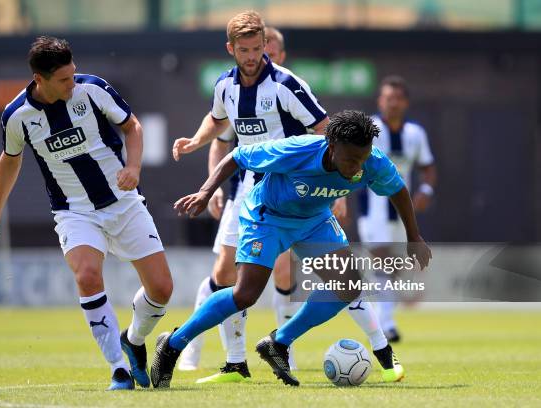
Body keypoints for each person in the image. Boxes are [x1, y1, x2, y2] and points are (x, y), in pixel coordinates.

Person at [173, 13, 389, 384]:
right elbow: (217, 119)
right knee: (227, 273)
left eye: (258, 49)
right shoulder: (225, 85)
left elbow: (326, 130)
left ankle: (300, 346)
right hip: (248, 190)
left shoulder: (286, 85)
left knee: (329, 276)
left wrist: (334, 186)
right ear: (231, 50)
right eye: (245, 50)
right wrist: (196, 141)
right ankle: (232, 361)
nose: (253, 56)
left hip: (293, 190)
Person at [153, 110, 431, 388]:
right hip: (267, 217)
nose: (358, 168)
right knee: (246, 294)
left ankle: (278, 342)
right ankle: (172, 345)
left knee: (348, 285)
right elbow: (237, 157)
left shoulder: (372, 162)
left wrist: (413, 236)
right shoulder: (298, 149)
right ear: (331, 147)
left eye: (362, 158)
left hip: (314, 221)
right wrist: (206, 192)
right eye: (350, 160)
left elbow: (398, 190)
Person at [0, 36, 173, 391]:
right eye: (64, 79)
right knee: (86, 276)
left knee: (161, 289)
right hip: (75, 211)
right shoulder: (17, 116)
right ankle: (118, 368)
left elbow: (132, 126)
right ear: (41, 79)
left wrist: (134, 167)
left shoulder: (93, 90)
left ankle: (134, 339)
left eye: (73, 74)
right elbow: (10, 160)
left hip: (124, 203)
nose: (73, 82)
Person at [358, 75, 437, 342]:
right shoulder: (368, 128)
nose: (392, 104)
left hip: (402, 209)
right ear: (380, 100)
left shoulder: (415, 134)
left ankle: (384, 320)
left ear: (405, 103)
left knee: (393, 266)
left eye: (397, 99)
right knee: (380, 259)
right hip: (372, 207)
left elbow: (428, 167)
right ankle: (384, 324)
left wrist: (426, 190)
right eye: (387, 98)